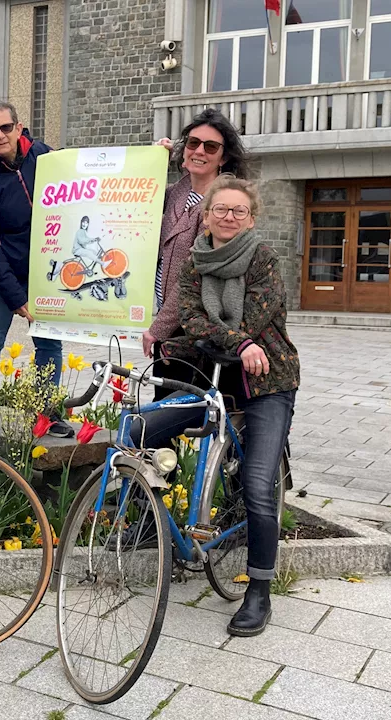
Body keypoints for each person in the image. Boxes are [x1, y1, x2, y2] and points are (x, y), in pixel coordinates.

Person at [153, 174, 300, 637]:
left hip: (266, 381)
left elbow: (257, 316)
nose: (229, 217)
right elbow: (191, 317)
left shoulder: (264, 258)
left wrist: (236, 343)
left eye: (239, 211)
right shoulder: (195, 260)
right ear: (207, 214)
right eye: (221, 210)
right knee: (139, 430)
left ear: (251, 217)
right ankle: (150, 529)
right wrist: (235, 344)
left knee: (257, 485)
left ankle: (259, 592)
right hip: (212, 375)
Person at [0, 101, 72, 438]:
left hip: (46, 272)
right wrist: (15, 296)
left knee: (50, 345)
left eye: (5, 128)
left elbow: (84, 182)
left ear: (19, 127)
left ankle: (48, 412)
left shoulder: (45, 157)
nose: (0, 135)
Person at [142, 108, 251, 359]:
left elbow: (192, 276)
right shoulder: (177, 193)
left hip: (197, 330)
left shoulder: (222, 207)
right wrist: (155, 160)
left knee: (186, 397)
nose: (199, 151)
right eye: (193, 143)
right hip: (171, 322)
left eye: (211, 147)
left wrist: (159, 327)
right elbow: (138, 201)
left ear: (223, 158)